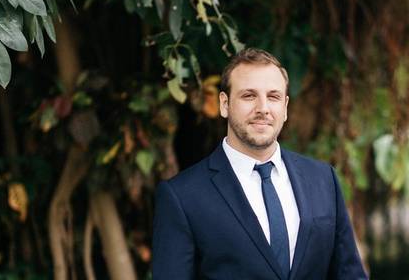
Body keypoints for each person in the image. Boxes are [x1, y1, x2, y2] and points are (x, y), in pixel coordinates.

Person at [152, 48, 367, 280]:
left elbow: (350, 275)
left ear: (285, 107)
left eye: (273, 97)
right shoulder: (182, 196)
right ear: (224, 104)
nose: (263, 108)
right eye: (249, 96)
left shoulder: (323, 179)